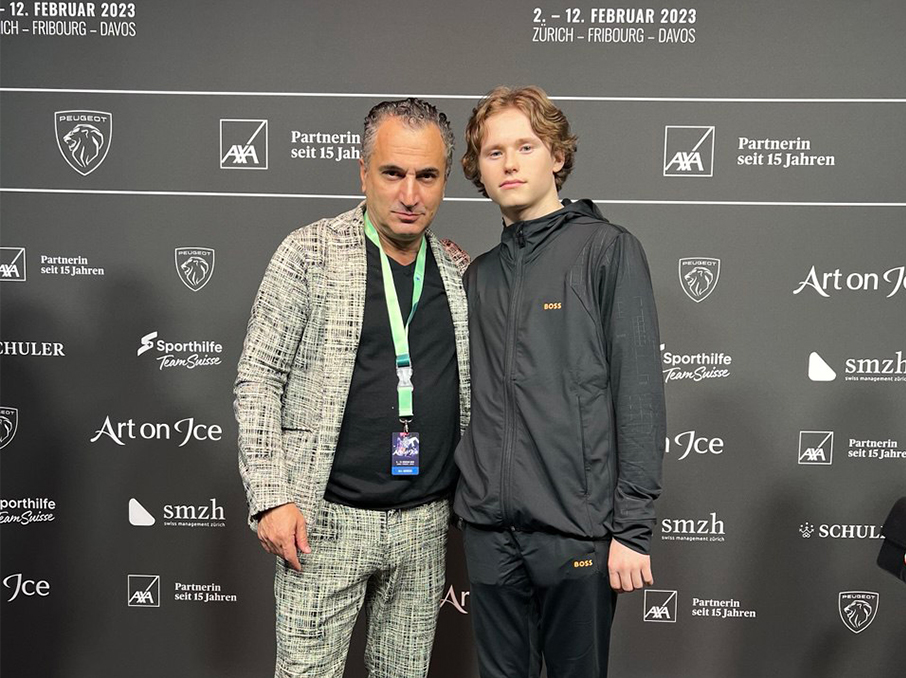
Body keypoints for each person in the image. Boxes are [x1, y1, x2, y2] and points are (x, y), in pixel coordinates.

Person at [234, 98, 470, 678]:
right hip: (323, 522)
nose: (409, 194)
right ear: (363, 173)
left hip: (425, 524)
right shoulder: (307, 255)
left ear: (445, 180)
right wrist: (271, 496)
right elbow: (258, 377)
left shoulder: (460, 271)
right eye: (392, 173)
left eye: (426, 176)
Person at [454, 86, 666, 678]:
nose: (510, 163)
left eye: (526, 146)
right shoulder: (479, 275)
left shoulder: (607, 250)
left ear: (558, 156)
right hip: (489, 533)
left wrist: (631, 529)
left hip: (577, 533)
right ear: (478, 170)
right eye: (494, 152)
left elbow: (639, 396)